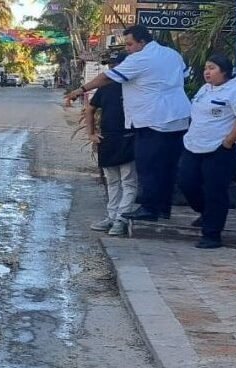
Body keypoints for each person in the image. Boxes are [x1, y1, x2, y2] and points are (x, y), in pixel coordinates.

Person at [66, 25, 191, 222]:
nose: (128, 49)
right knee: (167, 166)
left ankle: (149, 208)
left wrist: (80, 90)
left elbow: (107, 78)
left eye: (130, 44)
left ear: (142, 42)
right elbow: (185, 76)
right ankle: (163, 208)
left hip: (153, 119)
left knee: (147, 165)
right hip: (179, 118)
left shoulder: (141, 58)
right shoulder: (172, 54)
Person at [177, 55, 236, 248]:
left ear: (224, 71)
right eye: (206, 68)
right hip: (194, 145)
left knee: (215, 191)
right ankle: (207, 213)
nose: (207, 72)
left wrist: (228, 142)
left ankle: (212, 234)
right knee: (187, 183)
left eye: (212, 68)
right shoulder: (204, 89)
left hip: (220, 149)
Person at [86, 51, 137, 236]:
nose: (112, 68)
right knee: (112, 181)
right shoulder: (105, 87)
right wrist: (91, 133)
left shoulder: (135, 85)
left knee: (128, 181)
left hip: (129, 137)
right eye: (110, 65)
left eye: (116, 65)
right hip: (107, 138)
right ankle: (111, 216)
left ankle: (121, 219)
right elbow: (90, 109)